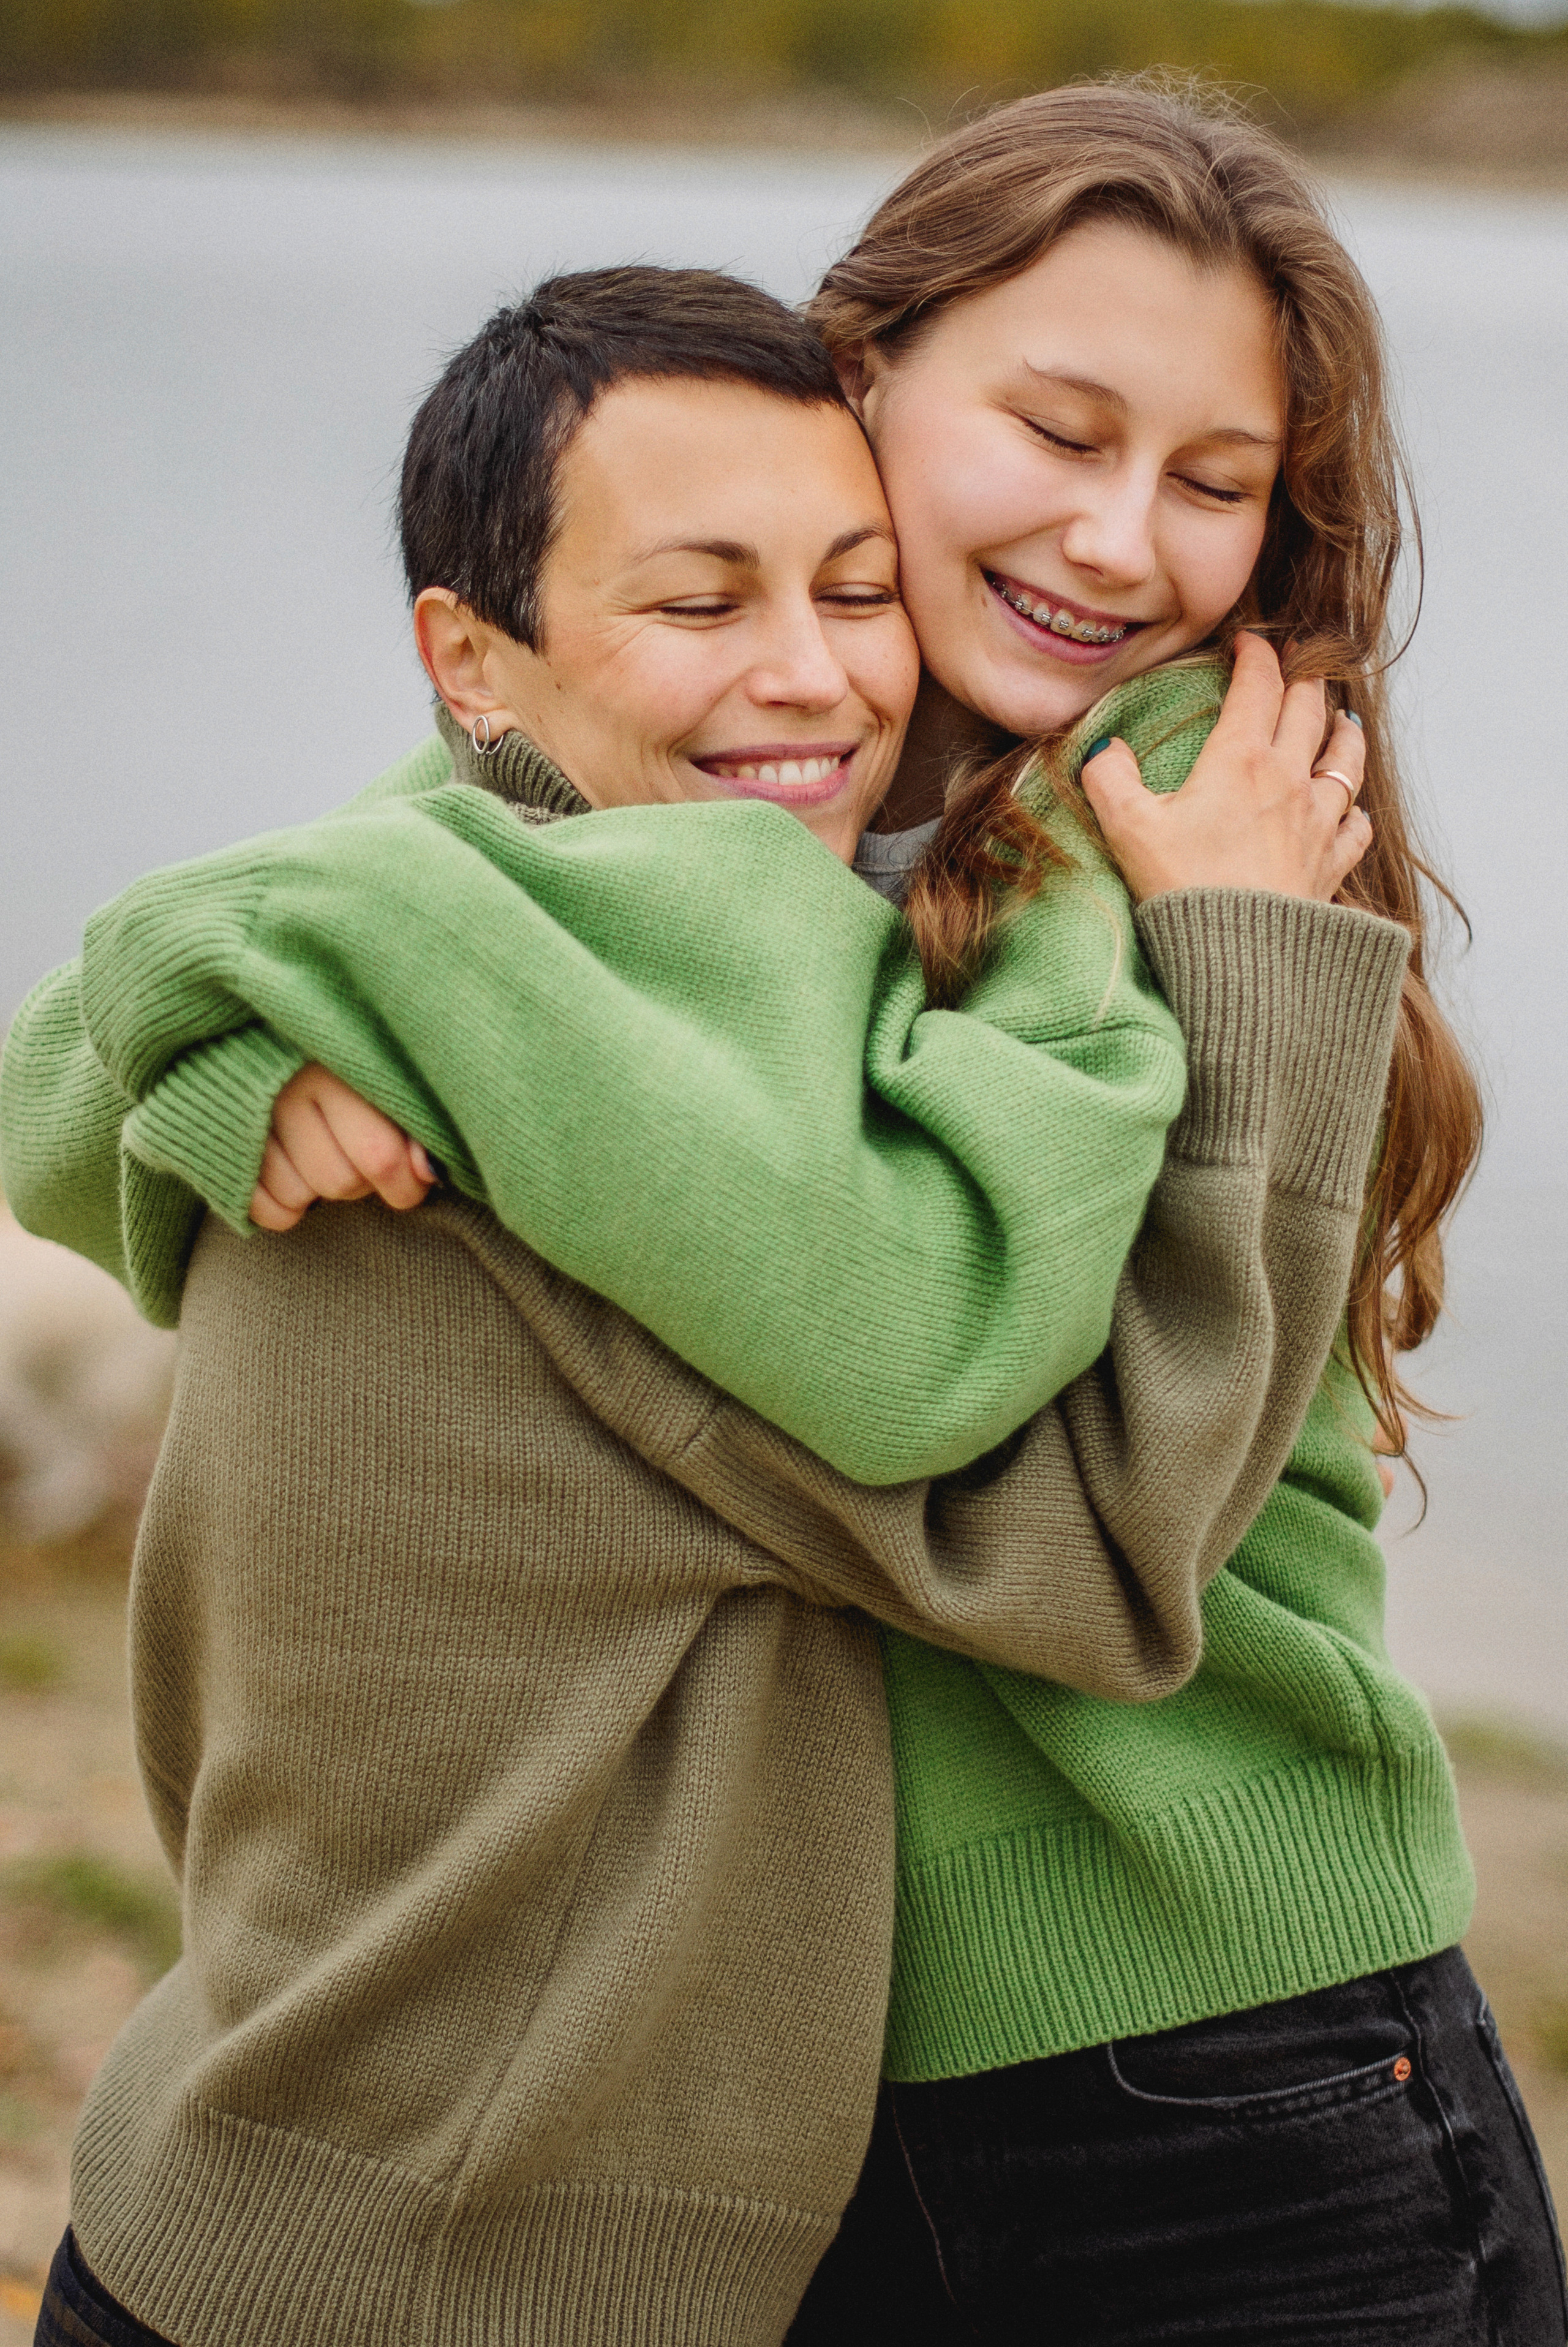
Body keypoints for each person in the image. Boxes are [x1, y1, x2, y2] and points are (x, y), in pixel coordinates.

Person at [10, 72, 1560, 2340]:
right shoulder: (677, 773)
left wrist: (1269, 985)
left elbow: (1023, 1470)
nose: (1124, 542)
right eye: (1056, 428)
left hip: (1216, 2013)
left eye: (1216, 484)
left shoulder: (1178, 821)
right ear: (861, 374)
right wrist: (234, 1053)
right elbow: (195, 970)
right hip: (800, 2091)